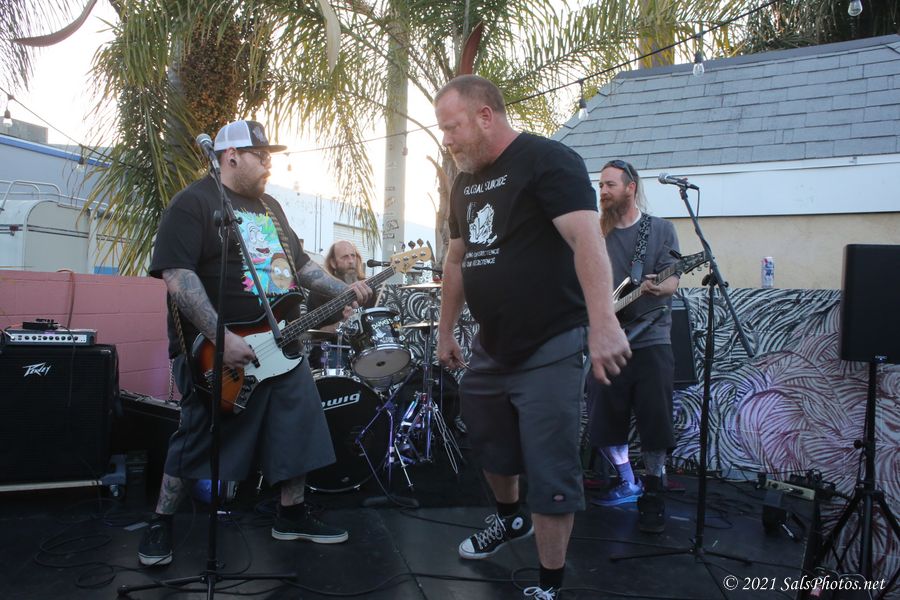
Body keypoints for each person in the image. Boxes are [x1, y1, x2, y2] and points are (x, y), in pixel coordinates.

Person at [138, 120, 372, 566]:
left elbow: (303, 267)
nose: (268, 164)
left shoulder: (270, 207)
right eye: (260, 156)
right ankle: (161, 521)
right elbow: (178, 276)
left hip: (280, 343)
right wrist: (219, 335)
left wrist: (344, 290)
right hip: (214, 348)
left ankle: (292, 514)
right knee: (200, 434)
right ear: (230, 157)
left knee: (299, 425)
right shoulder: (193, 203)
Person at [434, 75, 631, 600]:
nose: (446, 140)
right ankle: (508, 518)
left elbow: (586, 240)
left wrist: (603, 322)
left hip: (551, 342)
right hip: (491, 346)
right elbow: (456, 259)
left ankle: (549, 584)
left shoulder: (549, 161)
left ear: (485, 116)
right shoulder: (463, 183)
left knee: (550, 470)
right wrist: (446, 329)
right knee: (490, 445)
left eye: (452, 128)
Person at [587, 159, 680, 535]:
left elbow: (673, 279)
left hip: (651, 338)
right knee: (604, 418)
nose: (603, 191)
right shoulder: (596, 233)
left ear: (631, 187)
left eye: (610, 185)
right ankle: (627, 480)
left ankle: (653, 491)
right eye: (601, 185)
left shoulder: (660, 230)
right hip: (608, 340)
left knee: (655, 420)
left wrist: (659, 287)